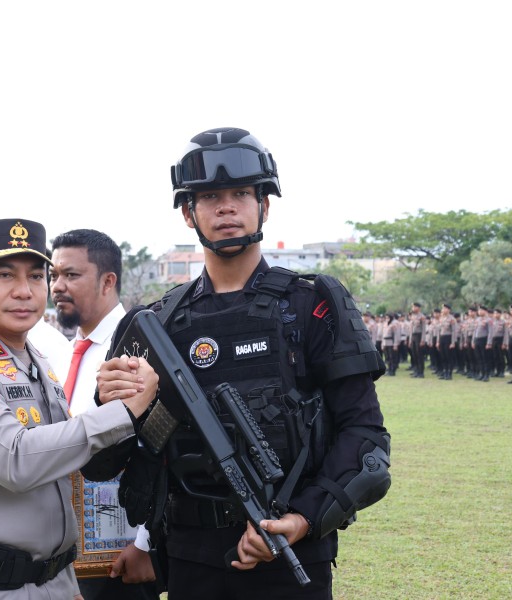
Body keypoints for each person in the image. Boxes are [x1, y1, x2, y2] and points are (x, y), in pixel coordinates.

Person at [94, 128, 390, 599]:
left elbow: (366, 439)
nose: (226, 208)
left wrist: (302, 518)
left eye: (240, 194)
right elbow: (105, 463)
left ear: (264, 205)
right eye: (210, 197)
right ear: (189, 213)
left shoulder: (311, 306)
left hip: (293, 555)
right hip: (189, 560)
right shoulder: (154, 325)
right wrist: (109, 406)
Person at [0, 218, 159, 600]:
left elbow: (56, 465)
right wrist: (122, 413)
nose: (24, 291)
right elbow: (16, 460)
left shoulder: (33, 359)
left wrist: (62, 582)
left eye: (36, 276)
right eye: (4, 275)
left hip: (46, 580)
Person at [51, 228, 159, 600]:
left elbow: (158, 448)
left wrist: (145, 543)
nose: (57, 286)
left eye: (71, 275)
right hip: (66, 548)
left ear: (107, 281)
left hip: (119, 551)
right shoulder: (64, 352)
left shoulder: (138, 350)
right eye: (53, 275)